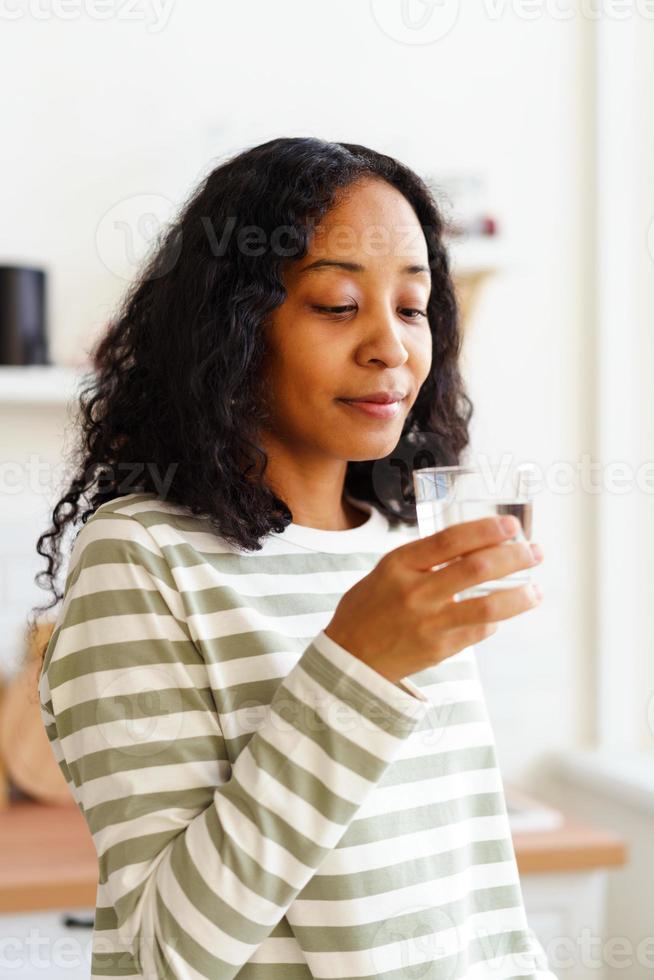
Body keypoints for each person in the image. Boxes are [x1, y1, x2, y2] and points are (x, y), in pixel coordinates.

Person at [33, 136, 555, 980]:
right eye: (339, 305)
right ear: (233, 324)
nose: (391, 347)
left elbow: (469, 893)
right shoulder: (142, 558)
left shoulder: (401, 542)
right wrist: (356, 666)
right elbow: (164, 953)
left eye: (414, 308)